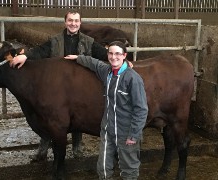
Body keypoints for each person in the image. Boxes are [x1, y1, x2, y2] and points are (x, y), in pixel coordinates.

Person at [10, 9, 108, 161]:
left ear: (80, 23)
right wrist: (25, 55)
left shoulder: (88, 42)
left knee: (78, 117)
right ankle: (42, 150)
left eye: (76, 21)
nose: (73, 24)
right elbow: (40, 51)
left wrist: (120, 57)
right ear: (65, 22)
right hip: (58, 90)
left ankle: (77, 149)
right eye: (70, 20)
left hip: (79, 88)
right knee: (50, 118)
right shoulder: (55, 40)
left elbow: (104, 54)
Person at [64, 41, 148, 180]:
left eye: (117, 54)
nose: (113, 57)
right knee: (103, 167)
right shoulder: (107, 71)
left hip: (126, 132)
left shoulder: (133, 78)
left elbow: (141, 110)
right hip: (108, 130)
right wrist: (78, 58)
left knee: (129, 169)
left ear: (124, 55)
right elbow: (94, 63)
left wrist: (133, 135)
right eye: (110, 53)